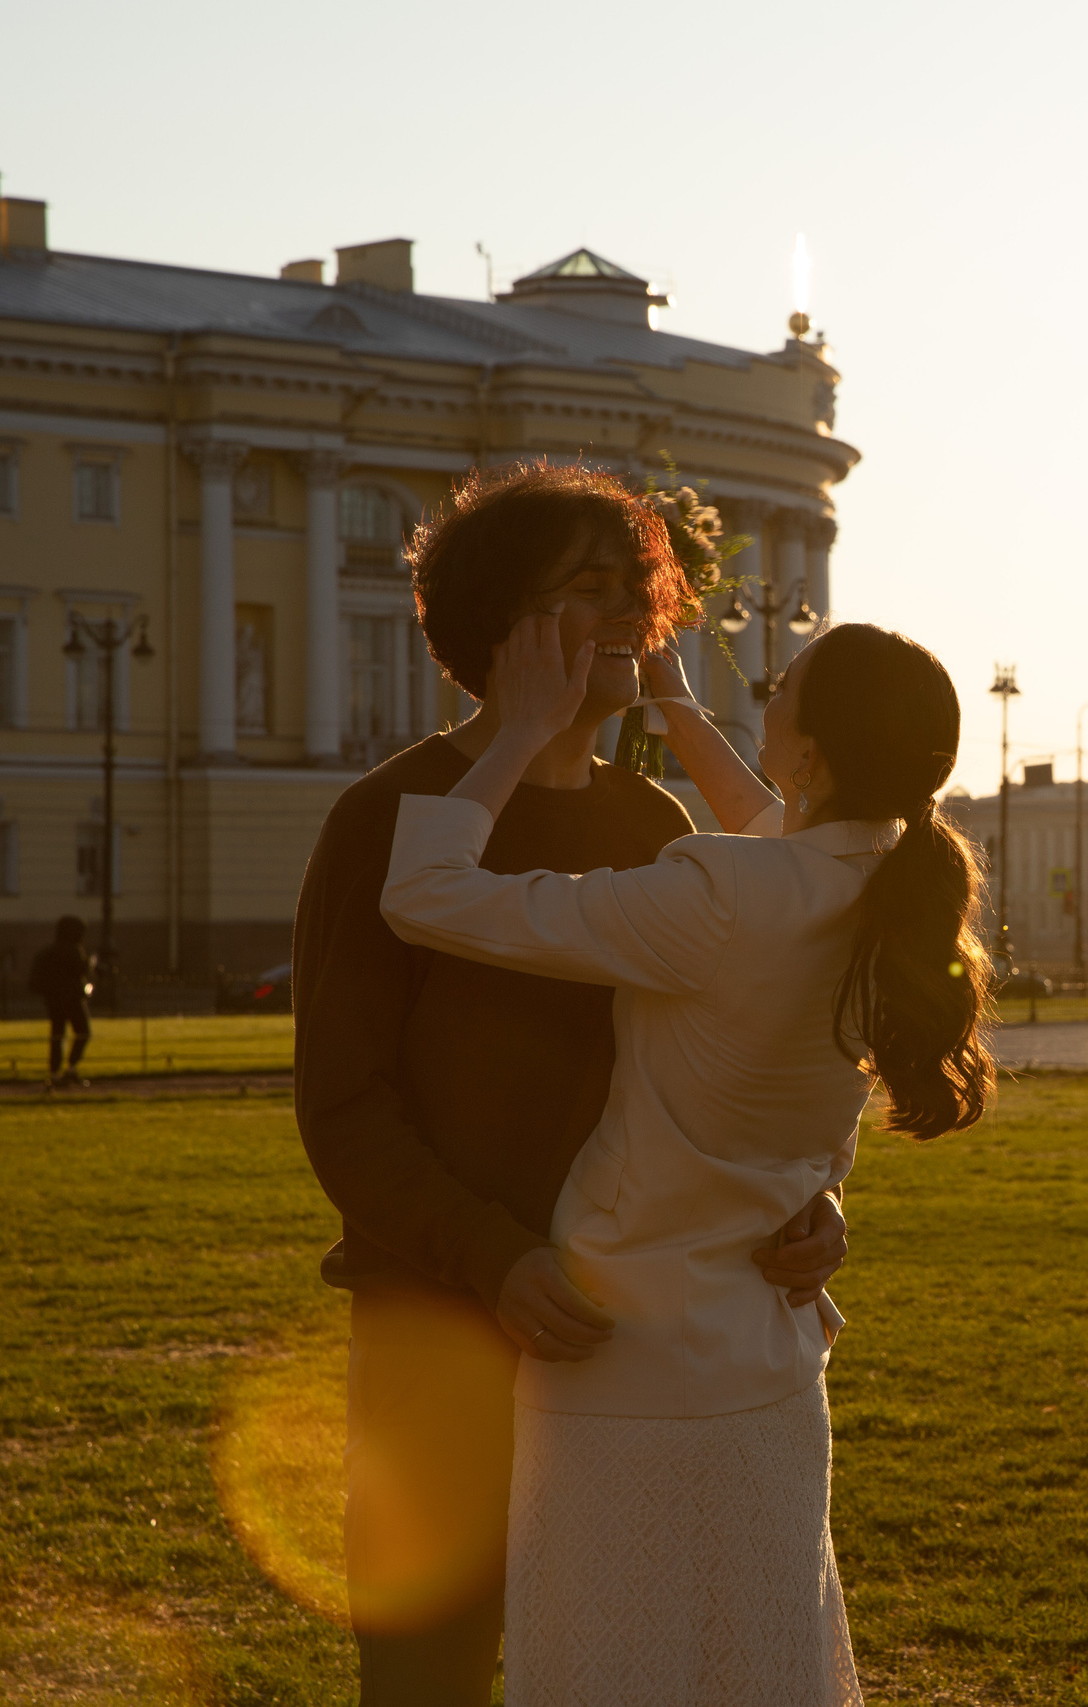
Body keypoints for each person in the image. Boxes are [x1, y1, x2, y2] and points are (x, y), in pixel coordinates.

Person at [292, 463, 850, 1706]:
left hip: (621, 1340)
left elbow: (724, 1070)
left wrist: (802, 1202)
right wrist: (494, 1259)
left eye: (638, 585)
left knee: (627, 1671)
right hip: (441, 1331)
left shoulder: (652, 825)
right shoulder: (387, 818)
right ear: (504, 626)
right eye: (590, 587)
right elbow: (343, 1109)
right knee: (428, 1675)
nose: (633, 613)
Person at [381, 617, 991, 1704]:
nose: (768, 689)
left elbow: (424, 891)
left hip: (621, 1367)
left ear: (813, 754)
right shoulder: (891, 890)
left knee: (612, 1671)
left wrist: (516, 731)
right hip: (769, 1368)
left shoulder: (721, 892)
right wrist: (673, 701)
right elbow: (779, 833)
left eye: (786, 683)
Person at [28, 915, 93, 1086]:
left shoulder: (48, 952)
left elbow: (35, 978)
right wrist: (90, 964)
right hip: (73, 1000)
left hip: (54, 1000)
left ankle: (55, 1073)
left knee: (57, 1035)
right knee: (83, 1032)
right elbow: (81, 970)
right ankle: (71, 1068)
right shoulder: (74, 950)